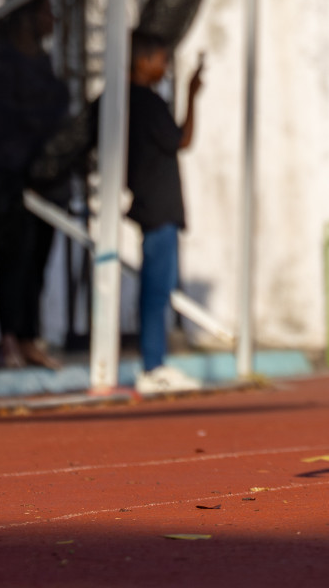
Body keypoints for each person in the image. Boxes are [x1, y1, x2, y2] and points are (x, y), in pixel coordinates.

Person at [0, 0, 70, 370]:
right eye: (46, 11)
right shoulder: (2, 63)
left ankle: (29, 335)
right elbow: (7, 118)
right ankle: (8, 337)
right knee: (14, 257)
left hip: (48, 178)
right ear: (27, 17)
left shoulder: (46, 63)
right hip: (14, 176)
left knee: (38, 259)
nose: (53, 19)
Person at [126, 29, 205, 395]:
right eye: (160, 60)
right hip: (158, 208)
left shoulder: (126, 102)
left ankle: (154, 363)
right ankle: (152, 365)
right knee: (156, 292)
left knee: (155, 290)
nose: (164, 68)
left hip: (151, 205)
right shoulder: (146, 102)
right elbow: (182, 140)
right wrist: (191, 95)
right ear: (142, 61)